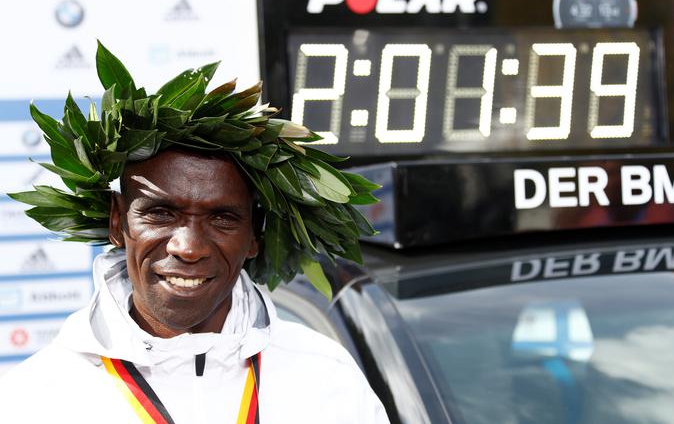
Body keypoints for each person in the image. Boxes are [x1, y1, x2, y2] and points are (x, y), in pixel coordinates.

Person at [0, 44, 389, 423]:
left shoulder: (326, 379)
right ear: (118, 222)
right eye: (161, 213)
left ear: (255, 234)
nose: (188, 248)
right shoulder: (35, 398)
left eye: (222, 218)